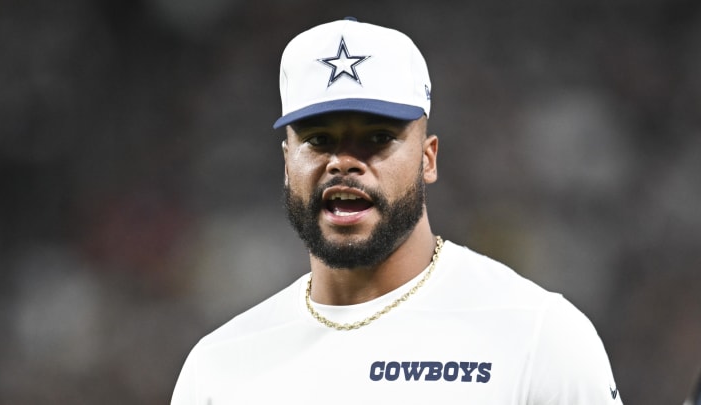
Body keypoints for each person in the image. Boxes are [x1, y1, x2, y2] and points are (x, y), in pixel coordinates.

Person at [171, 17, 622, 404]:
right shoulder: (219, 368)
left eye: (377, 138)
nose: (343, 161)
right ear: (286, 164)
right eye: (318, 139)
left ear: (428, 159)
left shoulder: (539, 335)